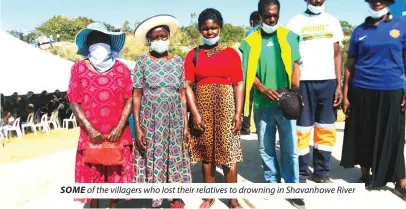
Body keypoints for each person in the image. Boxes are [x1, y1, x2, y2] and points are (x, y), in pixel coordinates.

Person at [239, 0, 305, 208]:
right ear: (260, 16)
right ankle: (272, 182)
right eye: (267, 15)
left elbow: (296, 66)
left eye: (275, 15)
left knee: (290, 148)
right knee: (265, 147)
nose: (271, 19)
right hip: (261, 103)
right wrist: (261, 89)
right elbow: (248, 71)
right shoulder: (250, 40)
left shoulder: (289, 36)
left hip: (286, 104)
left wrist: (294, 95)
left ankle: (292, 187)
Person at [341, 0, 406, 200]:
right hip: (362, 89)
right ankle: (365, 175)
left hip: (392, 88)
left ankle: (401, 183)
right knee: (364, 132)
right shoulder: (359, 30)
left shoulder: (401, 26)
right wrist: (344, 93)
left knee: (395, 135)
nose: (377, 2)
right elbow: (350, 64)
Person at [67, 22, 134, 208]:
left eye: (102, 40)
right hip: (91, 134)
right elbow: (74, 100)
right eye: (94, 40)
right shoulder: (78, 69)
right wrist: (89, 128)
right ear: (87, 46)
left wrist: (120, 126)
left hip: (118, 132)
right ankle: (94, 206)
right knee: (92, 171)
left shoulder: (122, 69)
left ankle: (113, 205)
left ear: (110, 43)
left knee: (116, 169)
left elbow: (130, 98)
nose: (99, 44)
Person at [184, 8, 244, 209]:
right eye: (205, 29)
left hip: (227, 108)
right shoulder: (193, 54)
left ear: (220, 28)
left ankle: (233, 198)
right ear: (200, 30)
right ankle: (209, 196)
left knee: (229, 154)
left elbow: (238, 84)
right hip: (203, 109)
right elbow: (187, 85)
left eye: (213, 28)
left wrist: (238, 113)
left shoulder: (231, 54)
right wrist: (195, 113)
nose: (209, 32)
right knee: (206, 154)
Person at [132, 14, 191, 208]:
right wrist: (138, 128)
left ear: (168, 36)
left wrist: (185, 124)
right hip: (151, 119)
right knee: (154, 154)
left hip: (174, 118)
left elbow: (182, 94)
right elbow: (137, 95)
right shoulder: (142, 61)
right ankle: (156, 198)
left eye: (163, 36)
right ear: (149, 40)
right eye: (155, 37)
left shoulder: (178, 62)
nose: (159, 40)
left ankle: (175, 196)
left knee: (174, 155)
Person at [286, 0, 344, 183]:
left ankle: (321, 172)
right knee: (302, 129)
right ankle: (302, 172)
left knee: (325, 128)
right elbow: (290, 56)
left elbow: (337, 55)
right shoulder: (295, 22)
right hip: (304, 82)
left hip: (328, 82)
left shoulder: (332, 21)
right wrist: (293, 86)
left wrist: (338, 84)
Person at [241, 11, 262, 135]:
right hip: (262, 71)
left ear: (251, 21)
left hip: (250, 71)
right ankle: (260, 127)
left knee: (248, 101)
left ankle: (246, 127)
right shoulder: (265, 31)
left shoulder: (250, 33)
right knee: (260, 101)